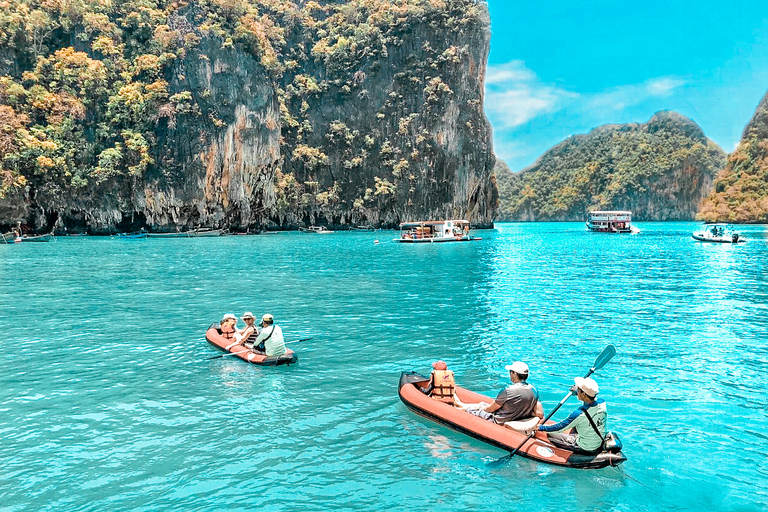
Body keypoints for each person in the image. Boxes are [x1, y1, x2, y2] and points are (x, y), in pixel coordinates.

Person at [531, 377, 607, 454]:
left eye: (578, 389)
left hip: (585, 446)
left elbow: (559, 428)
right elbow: (589, 402)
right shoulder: (602, 403)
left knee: (551, 434)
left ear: (584, 394)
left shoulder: (579, 414)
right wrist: (577, 393)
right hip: (598, 442)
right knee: (579, 424)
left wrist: (541, 428)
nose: (577, 390)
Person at [462, 361, 543, 424]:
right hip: (517, 419)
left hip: (499, 421)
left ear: (514, 374)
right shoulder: (534, 390)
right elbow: (539, 414)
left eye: (510, 372)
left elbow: (490, 409)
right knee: (481, 404)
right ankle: (460, 404)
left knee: (471, 410)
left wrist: (480, 409)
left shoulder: (507, 390)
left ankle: (459, 407)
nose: (510, 374)